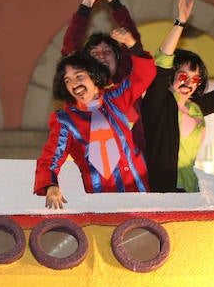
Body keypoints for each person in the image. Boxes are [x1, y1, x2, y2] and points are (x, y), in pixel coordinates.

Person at [141, 0, 214, 192]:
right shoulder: (158, 102)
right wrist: (180, 23)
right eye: (183, 76)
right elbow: (162, 61)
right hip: (161, 189)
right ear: (171, 76)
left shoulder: (194, 108)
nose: (189, 83)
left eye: (195, 79)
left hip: (190, 188)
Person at [34, 28, 156, 209]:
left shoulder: (116, 98)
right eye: (67, 81)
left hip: (140, 193)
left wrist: (131, 44)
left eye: (79, 76)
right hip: (102, 204)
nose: (74, 84)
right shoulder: (66, 120)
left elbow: (144, 75)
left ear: (93, 76)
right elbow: (50, 158)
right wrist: (51, 186)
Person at [62, 0, 146, 149]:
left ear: (119, 60)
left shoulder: (129, 86)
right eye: (95, 53)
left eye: (107, 52)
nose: (101, 56)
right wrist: (89, 0)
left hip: (134, 170)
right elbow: (70, 46)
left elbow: (135, 45)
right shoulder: (80, 88)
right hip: (95, 174)